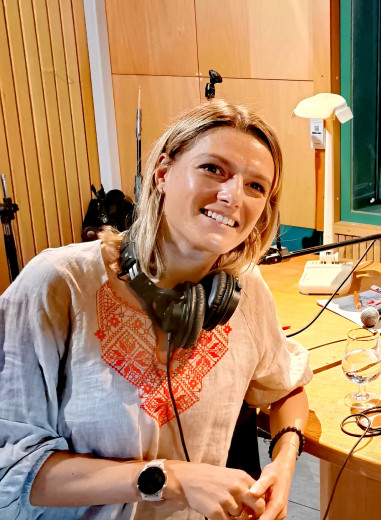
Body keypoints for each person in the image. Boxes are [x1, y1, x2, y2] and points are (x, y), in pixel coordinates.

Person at [0, 101, 313, 519]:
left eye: (255, 186)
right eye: (213, 169)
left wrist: (284, 459)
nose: (232, 195)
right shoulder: (57, 283)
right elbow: (11, 469)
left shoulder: (245, 289)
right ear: (163, 173)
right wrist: (168, 478)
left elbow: (286, 385)